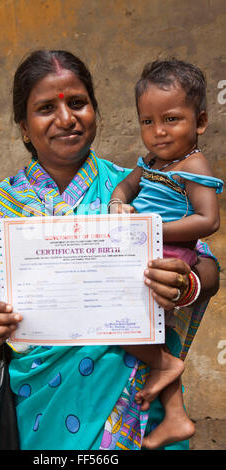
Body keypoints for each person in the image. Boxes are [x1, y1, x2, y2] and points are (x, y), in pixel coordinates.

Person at [0, 51, 220, 451]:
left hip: (136, 405)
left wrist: (185, 283)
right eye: (46, 108)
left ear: (95, 113)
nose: (66, 118)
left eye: (78, 103)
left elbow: (206, 268)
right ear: (24, 127)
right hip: (36, 412)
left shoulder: (135, 189)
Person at [109, 58, 223, 448]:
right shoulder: (153, 163)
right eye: (147, 122)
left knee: (119, 315)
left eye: (171, 119)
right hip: (148, 248)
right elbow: (125, 186)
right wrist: (117, 203)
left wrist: (150, 227)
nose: (158, 132)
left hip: (173, 255)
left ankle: (166, 369)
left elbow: (208, 221)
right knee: (134, 323)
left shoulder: (194, 165)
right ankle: (174, 412)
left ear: (201, 122)